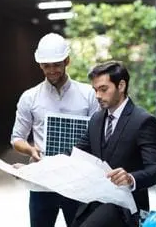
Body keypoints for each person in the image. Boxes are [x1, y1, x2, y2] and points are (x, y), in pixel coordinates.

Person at [11, 32, 100, 227]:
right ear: (40, 65)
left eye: (57, 65)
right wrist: (30, 150)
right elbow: (17, 138)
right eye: (46, 66)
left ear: (67, 60)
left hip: (78, 183)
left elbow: (99, 136)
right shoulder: (29, 97)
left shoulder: (88, 95)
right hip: (43, 183)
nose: (52, 70)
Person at [71, 61, 156, 227]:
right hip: (94, 202)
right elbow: (75, 153)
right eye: (95, 90)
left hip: (126, 210)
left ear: (121, 86)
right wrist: (38, 166)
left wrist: (130, 178)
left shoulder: (144, 121)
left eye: (103, 89)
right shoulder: (96, 119)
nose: (98, 96)